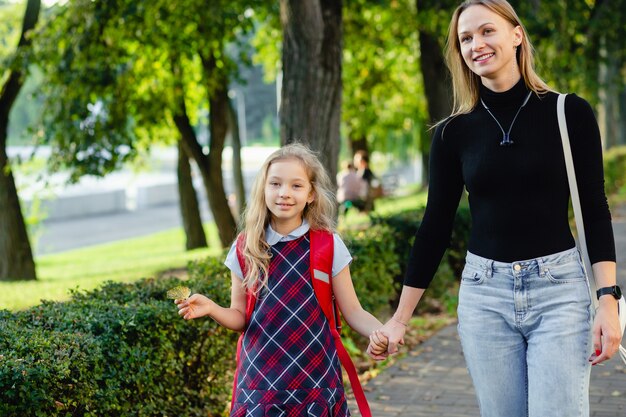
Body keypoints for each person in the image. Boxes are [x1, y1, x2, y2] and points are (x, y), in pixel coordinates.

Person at [368, 1, 621, 416]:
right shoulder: (453, 133)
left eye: (487, 31)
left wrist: (608, 301)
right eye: (465, 38)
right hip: (484, 296)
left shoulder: (569, 112)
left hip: (558, 291)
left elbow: (594, 209)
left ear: (516, 35)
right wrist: (400, 318)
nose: (476, 44)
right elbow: (435, 226)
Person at [175, 143, 388, 416]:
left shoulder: (327, 245)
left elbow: (353, 311)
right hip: (259, 385)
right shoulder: (245, 247)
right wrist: (212, 309)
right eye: (275, 184)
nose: (284, 193)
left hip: (316, 381)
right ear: (263, 189)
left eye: (296, 186)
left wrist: (379, 333)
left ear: (311, 194)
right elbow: (241, 317)